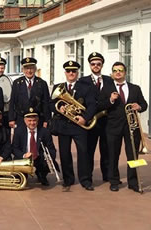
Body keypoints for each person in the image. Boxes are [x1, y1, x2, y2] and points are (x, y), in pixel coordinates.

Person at [98, 62, 147, 193]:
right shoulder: (107, 89)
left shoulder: (135, 88)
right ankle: (114, 181)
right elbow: (100, 105)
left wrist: (139, 107)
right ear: (112, 73)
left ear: (125, 72)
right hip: (113, 127)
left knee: (132, 155)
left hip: (131, 127)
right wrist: (111, 100)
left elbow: (144, 104)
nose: (118, 72)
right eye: (115, 70)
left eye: (120, 70)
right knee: (113, 154)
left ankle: (133, 182)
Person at [49, 60, 96, 191]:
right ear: (65, 72)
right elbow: (51, 103)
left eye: (73, 71)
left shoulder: (86, 87)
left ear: (77, 72)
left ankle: (85, 180)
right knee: (64, 153)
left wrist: (85, 118)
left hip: (79, 126)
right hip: (63, 125)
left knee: (83, 152)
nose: (71, 73)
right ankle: (68, 179)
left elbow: (92, 105)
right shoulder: (58, 86)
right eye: (68, 71)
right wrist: (60, 109)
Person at [79, 52, 113, 182]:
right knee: (89, 151)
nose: (96, 66)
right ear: (89, 65)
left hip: (106, 121)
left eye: (98, 64)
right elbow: (81, 100)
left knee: (106, 150)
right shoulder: (83, 81)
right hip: (91, 121)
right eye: (93, 64)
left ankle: (107, 176)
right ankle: (87, 178)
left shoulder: (109, 80)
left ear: (102, 65)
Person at [12, 108, 57, 187]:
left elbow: (51, 149)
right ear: (25, 120)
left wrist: (50, 159)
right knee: (21, 178)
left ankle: (42, 175)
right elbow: (14, 148)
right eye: (29, 120)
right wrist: (23, 155)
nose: (32, 123)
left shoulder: (45, 132)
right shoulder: (18, 131)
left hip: (39, 159)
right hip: (24, 158)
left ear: (38, 120)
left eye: (34, 120)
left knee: (45, 163)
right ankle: (23, 174)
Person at [8, 57, 51, 129]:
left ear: (35, 69)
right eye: (26, 68)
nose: (29, 71)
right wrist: (11, 118)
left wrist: (47, 120)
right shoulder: (17, 83)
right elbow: (13, 101)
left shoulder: (42, 83)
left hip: (37, 119)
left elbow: (46, 102)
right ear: (23, 70)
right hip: (21, 118)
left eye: (31, 68)